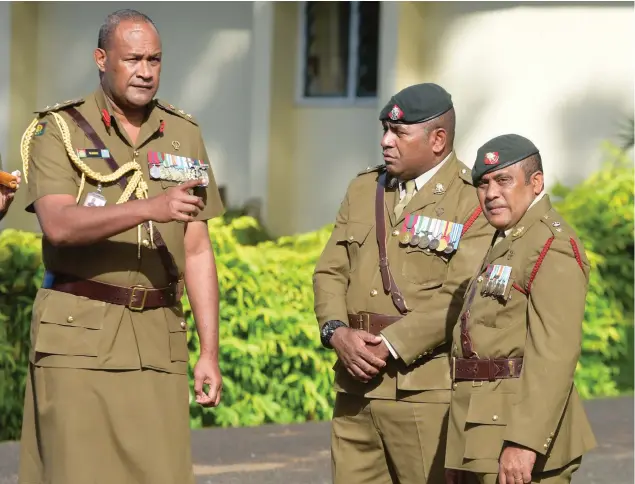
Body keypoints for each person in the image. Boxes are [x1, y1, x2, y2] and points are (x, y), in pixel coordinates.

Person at [17, 9, 225, 484]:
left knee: (162, 474)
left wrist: (208, 351)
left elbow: (196, 251)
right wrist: (149, 208)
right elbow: (59, 225)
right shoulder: (59, 130)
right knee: (76, 473)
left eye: (154, 59)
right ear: (101, 58)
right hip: (77, 335)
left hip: (157, 336)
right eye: (133, 59)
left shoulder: (183, 133)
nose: (146, 71)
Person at [313, 83, 494, 483]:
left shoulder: (473, 201)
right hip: (355, 387)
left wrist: (391, 344)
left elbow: (461, 296)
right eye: (384, 130)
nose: (385, 142)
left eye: (398, 133)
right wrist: (336, 332)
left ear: (438, 139)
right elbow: (330, 271)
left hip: (425, 392)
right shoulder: (365, 188)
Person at [444, 134, 597, 484]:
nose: (491, 193)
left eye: (503, 180)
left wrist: (524, 443)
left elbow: (554, 354)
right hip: (480, 428)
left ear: (536, 182)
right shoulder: (508, 238)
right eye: (482, 184)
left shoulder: (551, 243)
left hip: (515, 435)